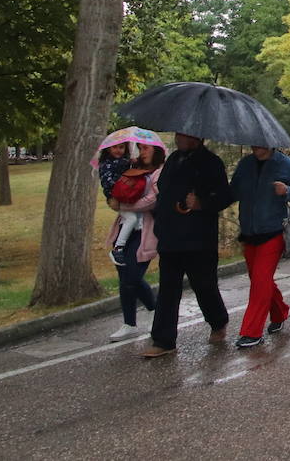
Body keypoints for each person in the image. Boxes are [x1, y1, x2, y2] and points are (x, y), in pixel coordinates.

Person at [142, 133, 233, 358]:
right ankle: (163, 340)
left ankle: (218, 321)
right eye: (178, 133)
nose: (178, 137)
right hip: (171, 237)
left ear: (196, 136)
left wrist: (202, 202)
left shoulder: (212, 163)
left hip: (198, 240)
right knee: (168, 290)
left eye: (183, 134)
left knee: (204, 286)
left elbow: (224, 197)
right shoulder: (173, 159)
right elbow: (162, 188)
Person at [227, 144, 290, 348]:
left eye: (262, 143)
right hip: (249, 232)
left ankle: (251, 332)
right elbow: (232, 192)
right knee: (258, 280)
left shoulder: (285, 164)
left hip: (274, 232)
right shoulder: (246, 164)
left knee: (260, 281)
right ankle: (281, 311)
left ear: (271, 143)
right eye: (254, 142)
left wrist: (287, 190)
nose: (257, 147)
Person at [104, 138, 167, 341]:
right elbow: (118, 188)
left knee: (132, 275)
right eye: (140, 148)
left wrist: (124, 206)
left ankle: (153, 309)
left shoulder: (160, 171)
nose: (142, 151)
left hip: (145, 230)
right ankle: (129, 323)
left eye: (145, 148)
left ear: (155, 150)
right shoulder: (132, 166)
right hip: (125, 227)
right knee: (124, 277)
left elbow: (153, 200)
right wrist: (113, 199)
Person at [96, 142, 148, 267]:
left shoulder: (126, 162)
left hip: (126, 196)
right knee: (131, 218)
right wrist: (120, 184)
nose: (118, 150)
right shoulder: (106, 164)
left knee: (135, 219)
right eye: (114, 147)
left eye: (121, 147)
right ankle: (118, 248)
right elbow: (107, 182)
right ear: (108, 148)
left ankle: (132, 236)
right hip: (116, 197)